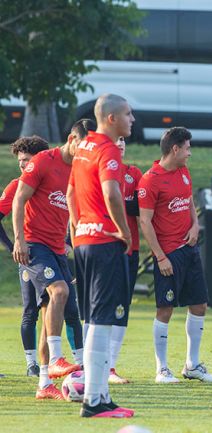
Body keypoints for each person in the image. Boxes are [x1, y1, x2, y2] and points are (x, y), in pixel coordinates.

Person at [68, 93, 135, 418]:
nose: (132, 120)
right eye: (128, 114)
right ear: (111, 119)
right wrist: (123, 231)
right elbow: (111, 191)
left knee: (95, 317)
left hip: (84, 240)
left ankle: (101, 396)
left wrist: (79, 226)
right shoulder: (108, 149)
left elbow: (70, 192)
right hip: (104, 241)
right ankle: (93, 400)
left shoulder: (83, 146)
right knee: (103, 318)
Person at [138, 127, 212, 385]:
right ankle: (161, 369)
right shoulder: (150, 180)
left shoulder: (184, 172)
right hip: (169, 255)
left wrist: (194, 225)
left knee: (199, 305)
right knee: (165, 309)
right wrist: (160, 257)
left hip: (190, 251)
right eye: (187, 148)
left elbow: (189, 203)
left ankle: (192, 365)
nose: (189, 153)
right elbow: (145, 222)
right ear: (175, 149)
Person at [12, 132, 86, 399]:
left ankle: (44, 383)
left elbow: (76, 214)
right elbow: (18, 199)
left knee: (48, 317)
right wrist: (18, 241)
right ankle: (56, 357)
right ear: (72, 137)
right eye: (83, 144)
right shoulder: (43, 161)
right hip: (34, 244)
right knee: (59, 292)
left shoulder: (80, 168)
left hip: (56, 249)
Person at [1, 136, 49, 377]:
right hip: (30, 257)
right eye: (20, 161)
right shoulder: (16, 185)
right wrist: (13, 245)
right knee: (31, 309)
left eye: (27, 160)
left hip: (54, 253)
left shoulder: (55, 183)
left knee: (57, 307)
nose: (23, 166)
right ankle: (32, 364)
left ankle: (57, 360)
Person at [107, 136, 143, 385]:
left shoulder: (134, 173)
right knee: (98, 307)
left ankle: (110, 366)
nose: (119, 143)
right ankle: (91, 364)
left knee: (122, 307)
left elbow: (140, 207)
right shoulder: (98, 169)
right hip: (103, 247)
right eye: (114, 139)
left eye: (122, 140)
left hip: (130, 249)